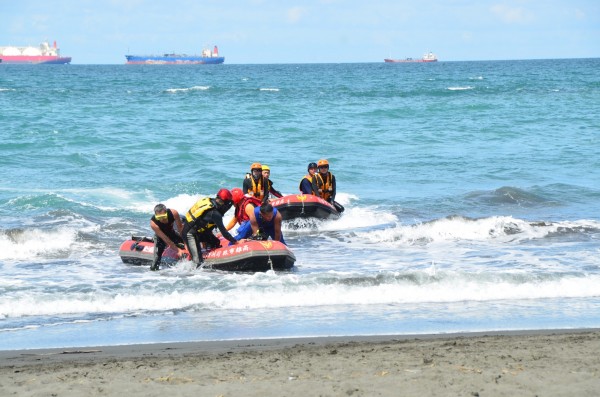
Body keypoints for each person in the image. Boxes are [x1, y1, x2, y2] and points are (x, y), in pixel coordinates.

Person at [181, 189, 238, 267]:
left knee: (216, 243)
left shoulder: (210, 201)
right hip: (190, 233)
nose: (228, 206)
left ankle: (209, 258)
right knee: (197, 262)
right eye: (227, 204)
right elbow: (224, 232)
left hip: (201, 231)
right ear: (223, 202)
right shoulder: (214, 213)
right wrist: (236, 242)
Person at [149, 203, 185, 271]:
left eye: (164, 216)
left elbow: (180, 228)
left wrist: (186, 243)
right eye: (159, 218)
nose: (162, 219)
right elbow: (165, 239)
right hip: (161, 237)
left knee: (186, 242)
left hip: (172, 233)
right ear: (156, 216)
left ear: (166, 213)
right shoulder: (153, 223)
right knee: (155, 262)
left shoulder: (173, 213)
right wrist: (177, 250)